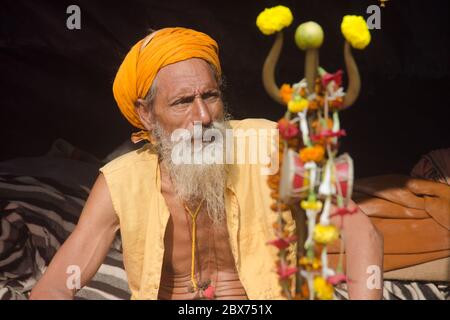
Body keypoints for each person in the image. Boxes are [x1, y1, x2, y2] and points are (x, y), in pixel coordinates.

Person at [30, 27, 383, 300]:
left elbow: (359, 230)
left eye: (210, 96)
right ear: (146, 114)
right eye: (183, 102)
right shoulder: (122, 182)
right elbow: (53, 287)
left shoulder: (269, 146)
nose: (202, 117)